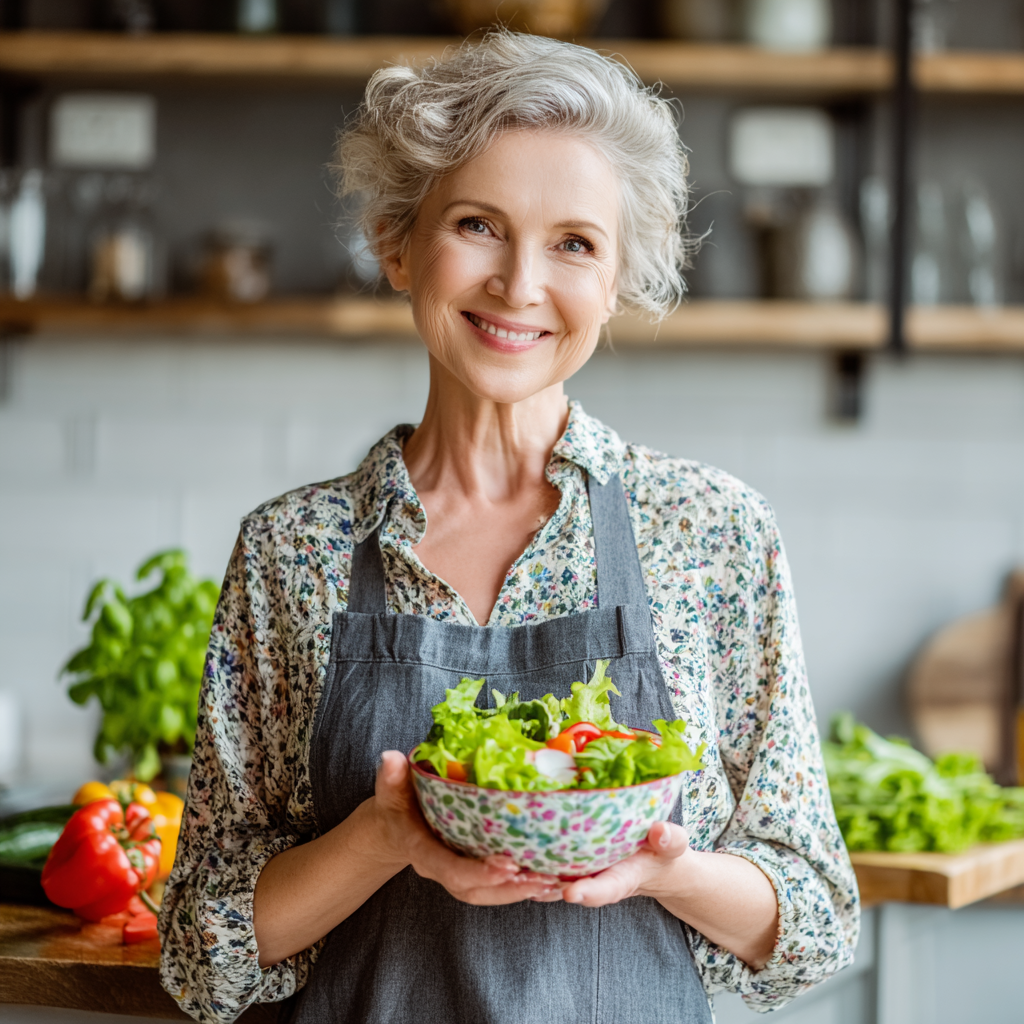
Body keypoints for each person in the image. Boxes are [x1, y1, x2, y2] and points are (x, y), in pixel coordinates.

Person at [159, 30, 859, 1024]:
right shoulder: (293, 551)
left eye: (574, 242)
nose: (520, 284)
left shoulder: (713, 533)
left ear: (613, 282)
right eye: (479, 225)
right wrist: (386, 836)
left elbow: (814, 924)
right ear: (398, 245)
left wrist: (662, 869)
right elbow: (202, 954)